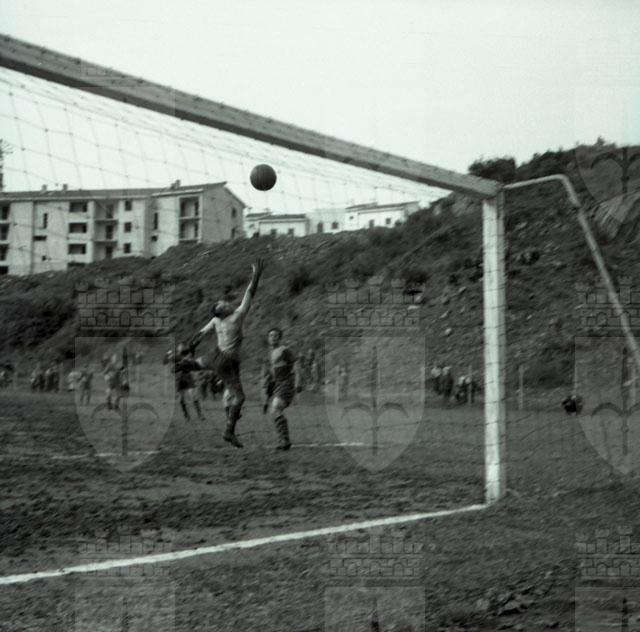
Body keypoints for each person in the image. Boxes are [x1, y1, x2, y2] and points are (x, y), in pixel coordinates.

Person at [191, 258, 265, 448]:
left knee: (230, 394)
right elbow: (250, 292)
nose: (225, 304)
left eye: (223, 303)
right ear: (223, 312)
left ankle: (231, 419)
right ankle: (229, 430)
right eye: (223, 306)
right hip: (228, 360)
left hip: (222, 357)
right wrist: (256, 276)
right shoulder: (237, 316)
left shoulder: (216, 320)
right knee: (239, 396)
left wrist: (192, 346)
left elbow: (200, 334)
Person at [262, 327, 297, 450]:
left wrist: (298, 383)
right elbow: (271, 378)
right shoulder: (268, 355)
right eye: (271, 335)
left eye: (276, 335)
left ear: (280, 338)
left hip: (286, 383)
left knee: (276, 407)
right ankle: (284, 440)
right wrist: (266, 400)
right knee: (274, 410)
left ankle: (284, 440)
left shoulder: (284, 350)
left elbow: (296, 365)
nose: (273, 338)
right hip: (277, 385)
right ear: (268, 338)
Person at [164, 343, 204, 422]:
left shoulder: (188, 356)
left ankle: (200, 415)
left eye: (182, 348)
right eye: (180, 348)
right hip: (179, 379)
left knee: (193, 396)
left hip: (188, 377)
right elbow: (171, 369)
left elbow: (191, 363)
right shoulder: (174, 357)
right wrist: (179, 363)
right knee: (181, 399)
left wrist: (185, 361)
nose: (182, 349)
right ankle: (186, 416)